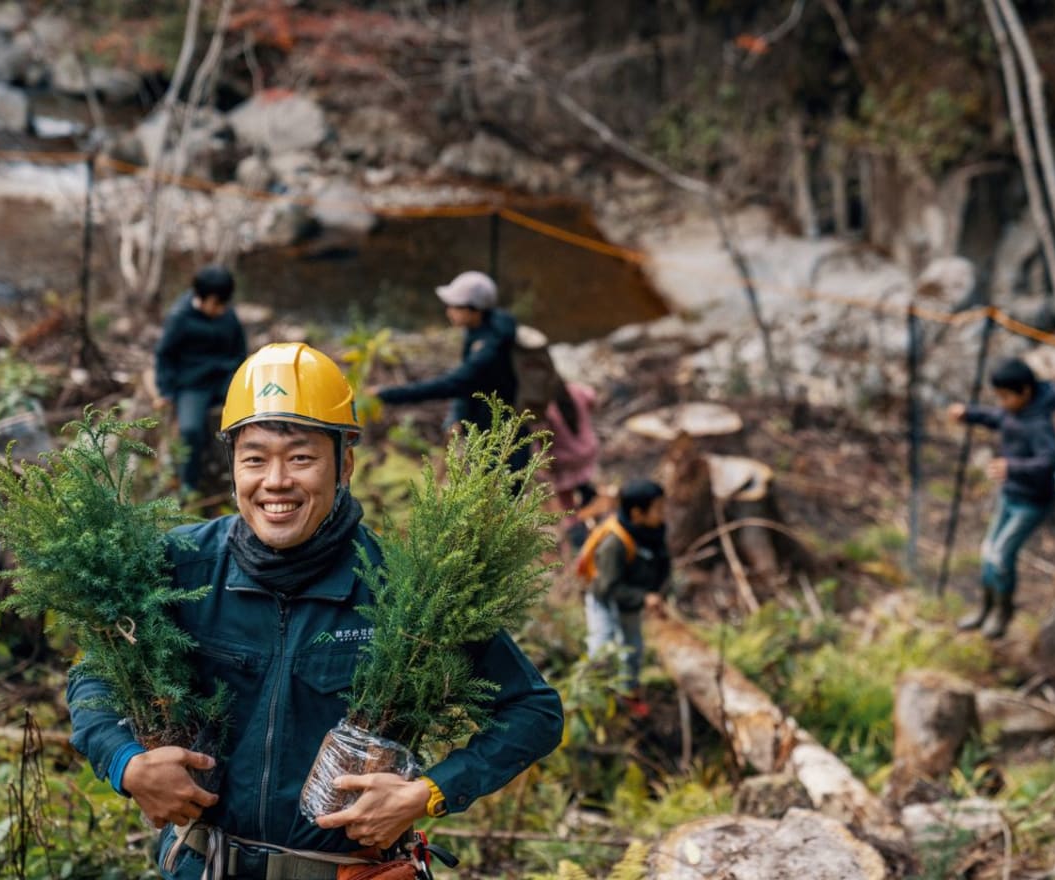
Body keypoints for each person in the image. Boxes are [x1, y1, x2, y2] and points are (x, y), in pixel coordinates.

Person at [70, 342, 564, 879]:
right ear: (233, 466)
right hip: (200, 866)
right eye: (254, 458)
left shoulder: (407, 591)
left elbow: (533, 711)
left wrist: (425, 793)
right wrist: (127, 764)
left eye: (301, 457)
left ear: (344, 464)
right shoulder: (178, 567)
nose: (276, 481)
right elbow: (96, 673)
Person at [948, 357, 1055, 639]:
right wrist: (968, 414)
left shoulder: (1038, 422)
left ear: (1025, 391)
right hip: (1010, 494)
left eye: (1005, 396)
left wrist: (1012, 467)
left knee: (1002, 555)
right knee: (987, 551)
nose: (1001, 402)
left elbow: (1051, 461)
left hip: (1032, 502)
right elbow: (995, 417)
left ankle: (1003, 612)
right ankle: (986, 607)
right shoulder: (1013, 411)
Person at [373, 271, 523, 464]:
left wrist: (385, 394)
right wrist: (459, 415)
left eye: (455, 306)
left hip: (502, 433)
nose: (448, 311)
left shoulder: (489, 347)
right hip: (485, 426)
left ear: (474, 310)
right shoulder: (480, 330)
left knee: (502, 487)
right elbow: (469, 385)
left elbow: (455, 383)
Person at [577, 480, 671, 715]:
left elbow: (662, 566)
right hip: (604, 600)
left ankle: (627, 690)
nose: (663, 514)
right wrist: (644, 597)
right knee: (603, 644)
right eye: (658, 508)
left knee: (633, 647)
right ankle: (587, 694)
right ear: (637, 513)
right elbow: (606, 588)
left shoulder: (653, 533)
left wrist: (658, 595)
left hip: (631, 601)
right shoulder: (615, 543)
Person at [154, 265, 248, 494]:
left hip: (224, 376)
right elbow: (164, 355)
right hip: (193, 384)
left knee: (247, 418)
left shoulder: (228, 315)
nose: (221, 310)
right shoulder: (180, 318)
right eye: (218, 305)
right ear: (207, 299)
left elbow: (239, 350)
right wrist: (166, 391)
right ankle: (189, 486)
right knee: (190, 430)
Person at [541, 380, 601, 551]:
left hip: (563, 461)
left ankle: (580, 544)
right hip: (585, 451)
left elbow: (541, 435)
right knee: (586, 489)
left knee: (567, 505)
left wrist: (544, 462)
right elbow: (592, 397)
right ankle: (597, 522)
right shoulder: (576, 390)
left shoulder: (545, 406)